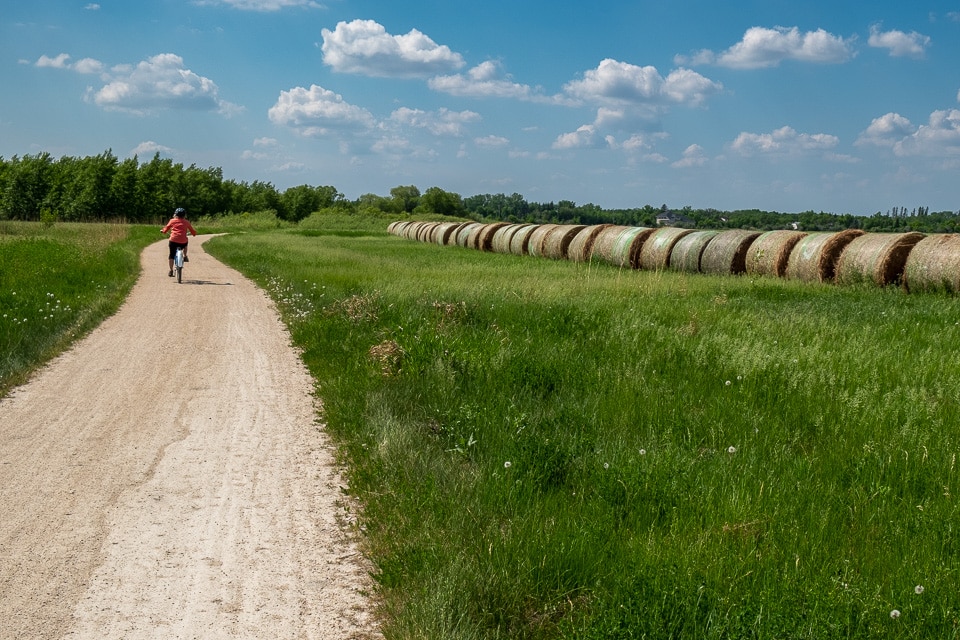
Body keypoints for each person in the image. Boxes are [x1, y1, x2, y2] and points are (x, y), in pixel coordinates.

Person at [161, 207, 198, 277]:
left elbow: (166, 229)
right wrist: (194, 233)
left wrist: (163, 231)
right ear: (184, 215)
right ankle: (185, 255)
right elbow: (192, 230)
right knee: (185, 244)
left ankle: (171, 270)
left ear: (175, 214)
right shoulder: (186, 222)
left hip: (173, 240)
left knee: (171, 254)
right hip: (183, 241)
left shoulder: (172, 221)